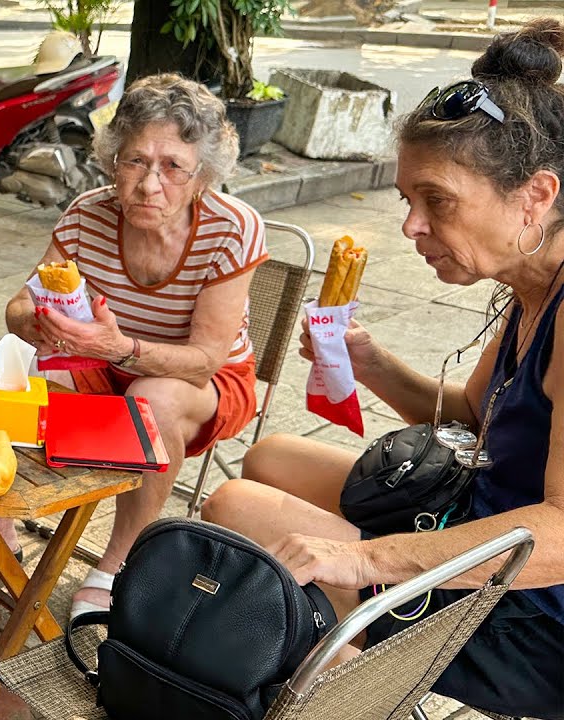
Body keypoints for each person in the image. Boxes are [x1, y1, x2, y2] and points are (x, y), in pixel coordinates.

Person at [201, 20, 564, 720]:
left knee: (231, 509)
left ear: (535, 196)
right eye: (407, 200)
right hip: (479, 513)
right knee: (270, 456)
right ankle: (342, 651)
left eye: (438, 200)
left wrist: (369, 561)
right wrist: (370, 364)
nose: (410, 227)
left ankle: (360, 695)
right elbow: (471, 414)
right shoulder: (530, 288)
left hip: (532, 615)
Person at [0, 74, 268, 618]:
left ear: (203, 175)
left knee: (152, 400)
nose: (150, 184)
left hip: (200, 383)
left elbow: (206, 362)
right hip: (101, 360)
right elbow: (17, 306)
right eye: (134, 161)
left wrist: (120, 346)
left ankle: (118, 563)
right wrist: (35, 325)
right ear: (112, 159)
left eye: (173, 166)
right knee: (1, 362)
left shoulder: (233, 227)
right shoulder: (87, 214)